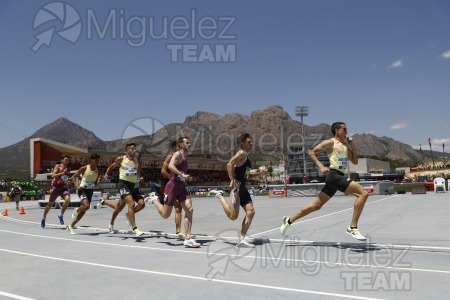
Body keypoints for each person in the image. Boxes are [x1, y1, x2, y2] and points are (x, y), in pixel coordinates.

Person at [280, 122, 369, 241]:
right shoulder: (330, 142)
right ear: (337, 131)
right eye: (344, 129)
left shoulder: (346, 146)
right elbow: (311, 152)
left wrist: (352, 145)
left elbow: (355, 161)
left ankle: (289, 220)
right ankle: (353, 227)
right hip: (333, 176)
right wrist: (321, 166)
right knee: (363, 193)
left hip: (339, 176)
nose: (346, 131)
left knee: (316, 206)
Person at [210, 133, 266, 248]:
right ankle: (219, 196)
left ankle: (241, 239)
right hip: (236, 189)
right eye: (249, 142)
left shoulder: (247, 157)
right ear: (242, 143)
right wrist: (231, 180)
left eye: (251, 142)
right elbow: (229, 164)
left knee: (251, 211)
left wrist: (258, 174)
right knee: (233, 216)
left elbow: (247, 176)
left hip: (243, 188)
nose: (251, 143)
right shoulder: (241, 153)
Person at [145, 137, 200, 247]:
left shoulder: (185, 156)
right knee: (165, 215)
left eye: (190, 142)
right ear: (181, 144)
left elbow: (182, 172)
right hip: (172, 187)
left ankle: (187, 238)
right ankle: (154, 200)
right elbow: (170, 166)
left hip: (181, 187)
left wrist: (186, 178)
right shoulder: (177, 154)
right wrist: (182, 175)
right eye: (187, 143)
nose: (189, 144)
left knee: (189, 209)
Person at [103, 143, 145, 236]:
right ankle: (135, 228)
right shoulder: (121, 158)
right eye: (132, 148)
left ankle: (111, 223)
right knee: (131, 203)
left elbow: (139, 171)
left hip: (133, 186)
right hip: (123, 184)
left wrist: (141, 177)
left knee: (122, 207)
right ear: (127, 150)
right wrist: (106, 174)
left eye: (135, 149)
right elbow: (111, 166)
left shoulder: (137, 161)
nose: (134, 150)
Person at [67, 153, 102, 235]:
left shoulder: (98, 170)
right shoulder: (85, 168)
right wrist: (76, 186)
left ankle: (71, 226)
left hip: (90, 191)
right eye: (95, 160)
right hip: (82, 189)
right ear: (91, 160)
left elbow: (95, 184)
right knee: (86, 206)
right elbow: (73, 177)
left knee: (84, 210)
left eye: (98, 160)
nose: (97, 162)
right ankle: (77, 210)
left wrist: (98, 182)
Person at [159, 141, 184, 240]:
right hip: (167, 185)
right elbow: (163, 171)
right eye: (179, 147)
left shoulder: (182, 158)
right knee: (166, 213)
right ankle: (154, 200)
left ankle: (178, 232)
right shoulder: (170, 157)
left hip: (177, 186)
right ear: (174, 148)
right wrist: (171, 178)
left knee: (178, 208)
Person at [41, 154, 72, 228]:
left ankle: (60, 215)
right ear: (61, 160)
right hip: (56, 188)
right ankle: (44, 218)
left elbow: (67, 178)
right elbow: (53, 175)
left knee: (68, 200)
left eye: (68, 160)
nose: (67, 161)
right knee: (49, 205)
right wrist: (61, 173)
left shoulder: (68, 169)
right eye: (65, 160)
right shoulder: (58, 166)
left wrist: (68, 182)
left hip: (63, 188)